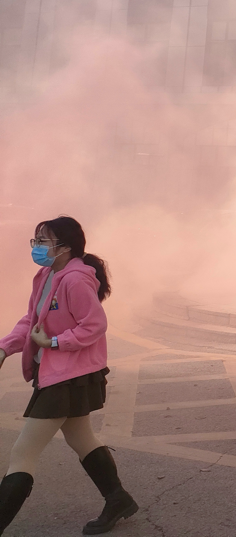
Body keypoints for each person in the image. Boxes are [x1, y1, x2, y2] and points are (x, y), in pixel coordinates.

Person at [0, 216, 138, 536]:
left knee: (23, 453)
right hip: (57, 372)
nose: (37, 247)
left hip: (68, 375)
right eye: (36, 240)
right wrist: (5, 348)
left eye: (43, 241)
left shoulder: (75, 280)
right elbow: (32, 320)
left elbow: (94, 325)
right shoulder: (46, 274)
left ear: (65, 247)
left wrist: (55, 343)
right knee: (81, 438)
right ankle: (118, 499)